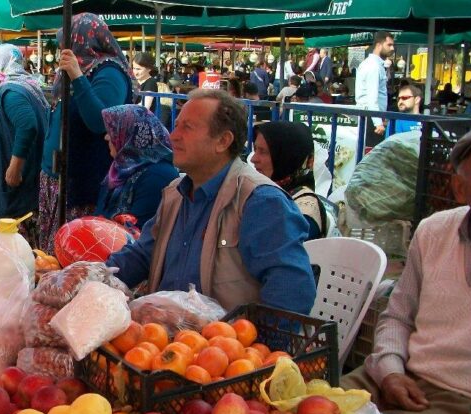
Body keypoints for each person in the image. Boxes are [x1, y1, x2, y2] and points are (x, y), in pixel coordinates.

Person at [106, 89, 316, 314]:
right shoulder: (174, 195)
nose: (173, 135)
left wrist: (252, 346)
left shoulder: (260, 201)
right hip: (161, 339)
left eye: (187, 127)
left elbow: (291, 291)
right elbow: (139, 257)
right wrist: (90, 277)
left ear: (223, 141)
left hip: (221, 344)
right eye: (176, 126)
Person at [340, 130, 471, 414]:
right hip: (397, 375)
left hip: (460, 400)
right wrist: (391, 371)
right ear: (459, 188)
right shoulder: (433, 232)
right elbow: (398, 315)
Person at [39, 13, 134, 251]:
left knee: (73, 253)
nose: (62, 47)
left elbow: (101, 121)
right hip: (58, 178)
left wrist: (77, 77)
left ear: (82, 39)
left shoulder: (110, 72)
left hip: (82, 183)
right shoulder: (77, 70)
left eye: (67, 42)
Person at [0, 44, 49, 240]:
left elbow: (27, 125)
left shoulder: (11, 91)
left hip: (12, 180)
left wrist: (14, 167)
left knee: (11, 242)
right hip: (14, 176)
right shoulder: (24, 86)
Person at [95, 105, 179, 228]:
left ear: (131, 134)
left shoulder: (158, 176)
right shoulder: (120, 170)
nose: (106, 137)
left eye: (113, 130)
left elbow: (139, 234)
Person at [251, 122, 337, 240]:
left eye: (263, 152)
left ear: (287, 157)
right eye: (255, 149)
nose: (253, 159)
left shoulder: (303, 212)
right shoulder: (263, 192)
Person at [356, 32, 395, 142]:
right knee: (371, 155)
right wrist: (378, 123)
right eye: (389, 45)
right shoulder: (373, 66)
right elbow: (372, 97)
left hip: (371, 116)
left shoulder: (374, 64)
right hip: (370, 117)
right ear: (378, 45)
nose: (392, 48)